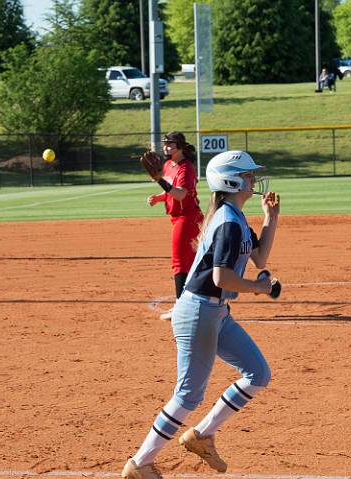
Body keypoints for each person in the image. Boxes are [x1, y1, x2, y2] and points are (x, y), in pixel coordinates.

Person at [122, 150, 280, 479]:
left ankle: (202, 435)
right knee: (188, 394)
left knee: (257, 374)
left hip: (216, 312)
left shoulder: (235, 218)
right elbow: (222, 277)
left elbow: (261, 258)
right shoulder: (227, 223)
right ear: (231, 180)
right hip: (198, 312)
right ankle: (140, 464)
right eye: (248, 175)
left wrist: (270, 217)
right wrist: (258, 288)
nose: (253, 180)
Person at [146, 132, 204, 320]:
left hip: (188, 218)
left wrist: (158, 180)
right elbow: (171, 192)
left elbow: (180, 195)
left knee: (180, 262)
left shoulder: (186, 168)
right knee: (193, 263)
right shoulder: (168, 165)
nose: (166, 147)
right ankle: (199, 302)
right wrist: (159, 198)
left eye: (170, 144)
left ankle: (180, 306)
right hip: (179, 217)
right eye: (165, 144)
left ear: (180, 146)